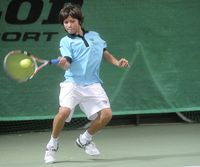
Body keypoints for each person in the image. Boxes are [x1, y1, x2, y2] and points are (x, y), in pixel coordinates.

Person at [44, 3, 129, 164]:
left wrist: (118, 63)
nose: (68, 25)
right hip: (72, 83)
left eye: (72, 21)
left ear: (79, 21)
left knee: (106, 115)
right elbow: (68, 62)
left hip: (93, 84)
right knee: (63, 111)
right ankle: (52, 145)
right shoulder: (65, 41)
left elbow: (105, 53)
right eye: (65, 22)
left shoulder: (95, 36)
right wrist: (64, 63)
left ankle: (85, 139)